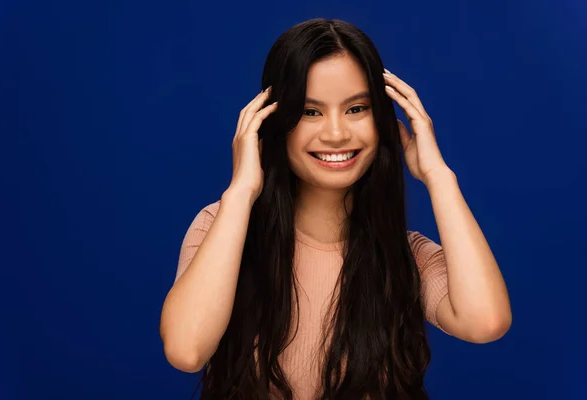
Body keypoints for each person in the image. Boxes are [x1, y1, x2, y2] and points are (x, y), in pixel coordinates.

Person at [159, 18, 512, 400]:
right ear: (274, 121)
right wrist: (241, 190)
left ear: (383, 120)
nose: (337, 133)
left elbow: (485, 322)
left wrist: (438, 176)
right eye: (311, 112)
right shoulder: (223, 229)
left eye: (356, 108)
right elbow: (186, 350)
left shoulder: (404, 255)